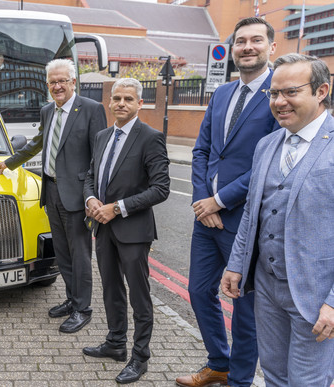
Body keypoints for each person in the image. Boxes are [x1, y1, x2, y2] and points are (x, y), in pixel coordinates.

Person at [176, 17, 280, 387]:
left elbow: (268, 165)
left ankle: (240, 380)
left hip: (245, 220)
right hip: (207, 218)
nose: (247, 47)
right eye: (240, 42)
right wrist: (204, 199)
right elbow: (202, 149)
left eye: (255, 40)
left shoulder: (277, 95)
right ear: (233, 48)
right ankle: (218, 362)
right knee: (198, 291)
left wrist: (220, 200)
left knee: (245, 309)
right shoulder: (221, 94)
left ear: (272, 47)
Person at [221, 53, 334, 387]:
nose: (279, 102)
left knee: (307, 381)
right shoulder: (267, 145)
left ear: (321, 91)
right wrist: (236, 264)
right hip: (267, 289)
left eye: (291, 92)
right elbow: (252, 215)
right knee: (274, 376)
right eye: (273, 93)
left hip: (315, 298)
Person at [0, 58, 107, 333]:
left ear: (73, 82)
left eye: (62, 81)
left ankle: (83, 309)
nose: (57, 86)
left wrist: (94, 196)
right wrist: (10, 162)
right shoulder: (47, 111)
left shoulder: (91, 110)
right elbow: (36, 144)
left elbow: (99, 157)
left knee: (80, 255)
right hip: (52, 190)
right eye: (52, 82)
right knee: (63, 253)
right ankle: (71, 300)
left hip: (78, 196)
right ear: (47, 85)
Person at [82, 78, 169, 384]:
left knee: (139, 296)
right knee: (110, 289)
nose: (121, 103)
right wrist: (91, 198)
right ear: (109, 102)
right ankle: (116, 344)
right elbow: (91, 175)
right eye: (116, 98)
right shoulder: (103, 135)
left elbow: (161, 189)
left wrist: (116, 207)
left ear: (139, 104)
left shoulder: (151, 137)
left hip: (133, 230)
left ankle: (140, 357)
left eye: (128, 99)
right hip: (103, 228)